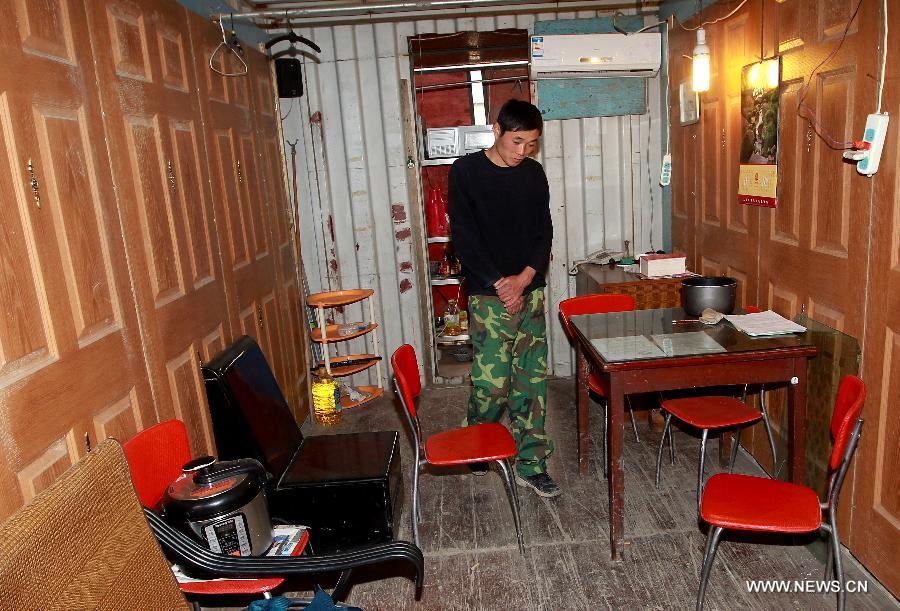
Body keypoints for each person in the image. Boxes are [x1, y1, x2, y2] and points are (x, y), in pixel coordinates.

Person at [447, 99, 559, 498]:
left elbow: (543, 233)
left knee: (530, 383)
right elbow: (464, 237)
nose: (523, 151)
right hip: (487, 294)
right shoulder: (466, 172)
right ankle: (479, 444)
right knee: (491, 385)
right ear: (496, 130)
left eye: (531, 143)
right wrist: (501, 283)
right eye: (517, 141)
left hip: (530, 292)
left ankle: (532, 464)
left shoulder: (533, 174)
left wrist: (526, 278)